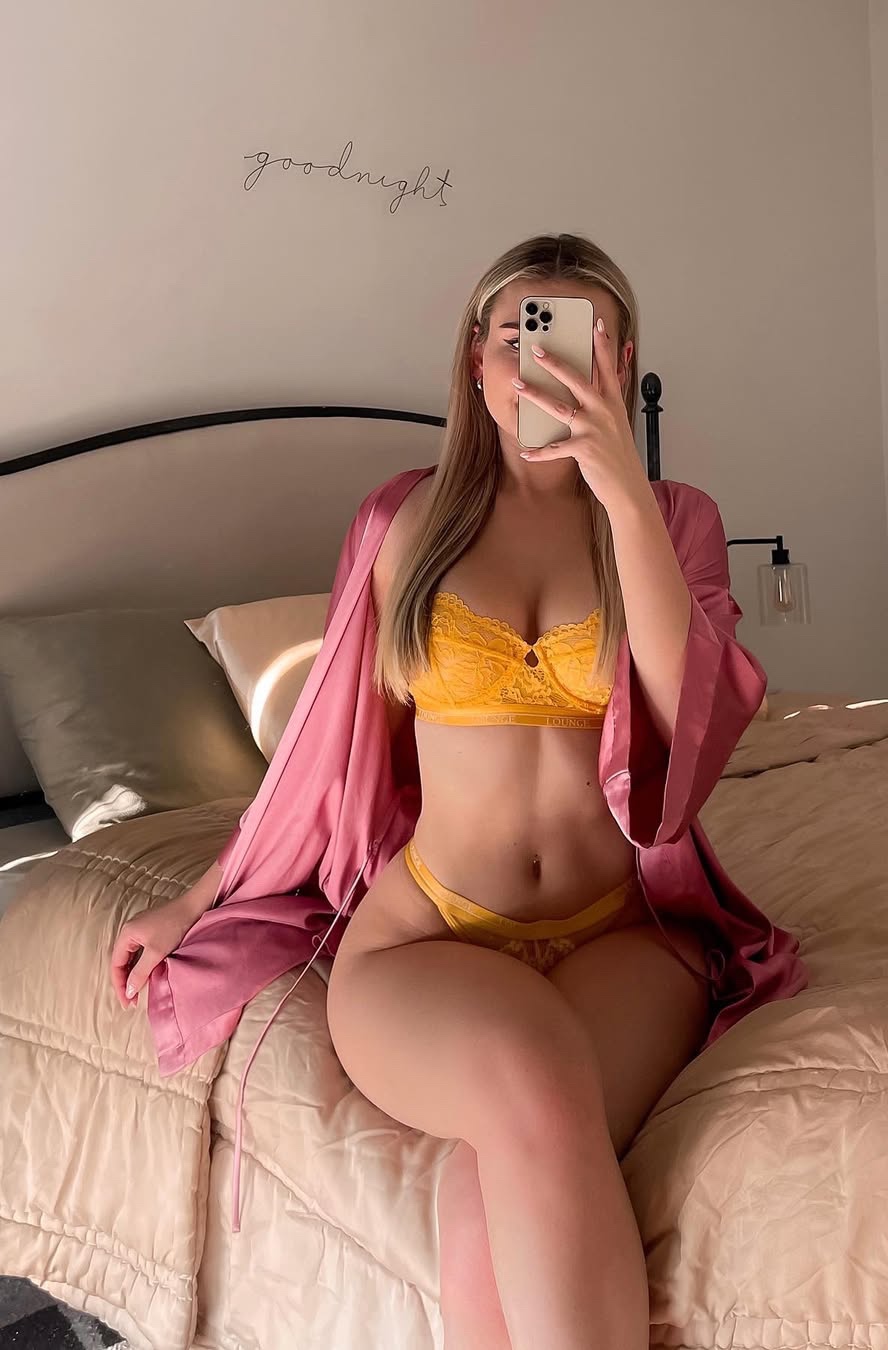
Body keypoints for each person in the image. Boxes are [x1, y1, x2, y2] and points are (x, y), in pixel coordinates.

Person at [110, 232, 807, 1350]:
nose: (543, 366)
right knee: (533, 1086)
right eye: (516, 337)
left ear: (621, 361)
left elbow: (694, 722)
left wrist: (622, 488)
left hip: (622, 931)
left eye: (576, 338)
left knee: (511, 1154)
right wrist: (201, 898)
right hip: (426, 934)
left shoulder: (676, 520)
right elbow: (320, 754)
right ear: (475, 360)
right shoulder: (403, 522)